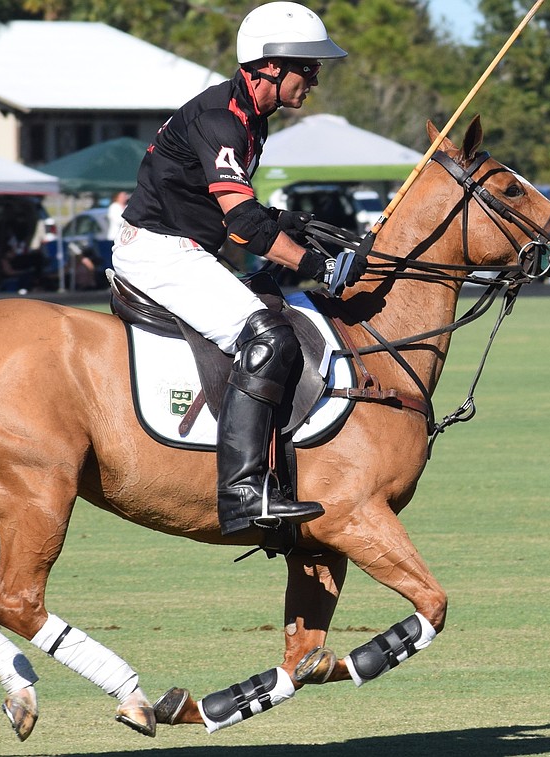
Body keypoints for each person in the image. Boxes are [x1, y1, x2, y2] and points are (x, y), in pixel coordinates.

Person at [111, 2, 367, 536]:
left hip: (186, 245)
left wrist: (296, 223)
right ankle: (244, 494)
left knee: (273, 302)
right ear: (269, 65)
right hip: (160, 250)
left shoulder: (251, 118)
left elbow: (235, 214)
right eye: (308, 66)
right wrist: (317, 264)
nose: (315, 78)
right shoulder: (221, 120)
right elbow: (243, 226)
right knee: (270, 337)